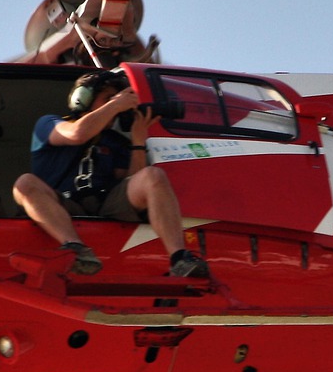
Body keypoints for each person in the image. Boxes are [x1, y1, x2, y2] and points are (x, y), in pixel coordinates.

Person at [12, 74, 209, 277]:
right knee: (25, 183)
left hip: (105, 203)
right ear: (83, 99)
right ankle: (75, 248)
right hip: (63, 203)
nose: (116, 104)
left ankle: (179, 258)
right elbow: (77, 134)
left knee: (153, 176)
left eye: (116, 99)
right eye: (107, 98)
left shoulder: (114, 141)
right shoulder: (51, 123)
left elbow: (133, 183)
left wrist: (138, 141)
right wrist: (116, 105)